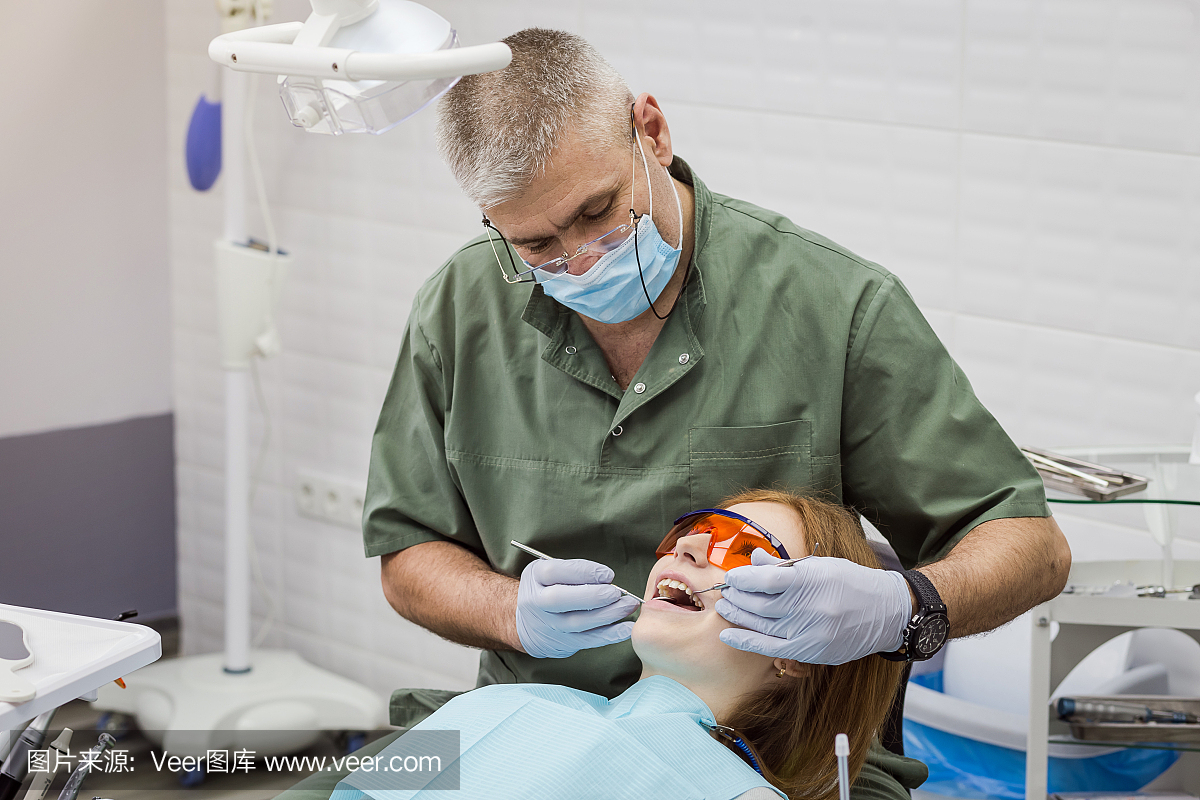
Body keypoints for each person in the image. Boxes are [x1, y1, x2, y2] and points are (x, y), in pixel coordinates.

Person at [359, 27, 1071, 798]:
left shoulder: (835, 308)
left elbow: (1031, 544)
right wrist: (510, 611)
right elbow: (409, 554)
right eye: (538, 246)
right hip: (543, 725)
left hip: (778, 757)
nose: (583, 258)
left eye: (600, 211)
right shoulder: (461, 309)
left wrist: (903, 608)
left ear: (653, 133)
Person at [326, 492, 920, 800]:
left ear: (797, 649)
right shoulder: (491, 709)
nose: (685, 549)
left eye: (738, 550)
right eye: (694, 532)